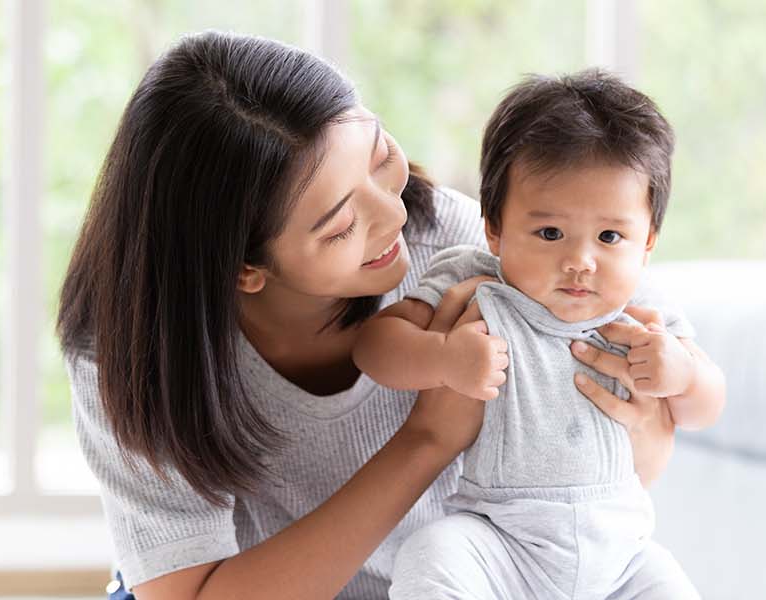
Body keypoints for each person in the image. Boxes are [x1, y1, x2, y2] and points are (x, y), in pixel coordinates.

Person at [57, 32, 692, 599]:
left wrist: (647, 423)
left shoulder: (464, 245)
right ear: (244, 270)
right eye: (340, 226)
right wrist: (429, 438)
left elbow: (623, 468)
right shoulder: (131, 352)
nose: (394, 216)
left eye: (379, 157)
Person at [356, 70, 726, 599]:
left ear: (647, 242)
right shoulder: (474, 280)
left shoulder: (645, 308)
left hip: (621, 551)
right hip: (501, 539)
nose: (580, 261)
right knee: (432, 553)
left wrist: (684, 375)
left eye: (610, 236)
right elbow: (375, 347)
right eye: (549, 233)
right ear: (495, 228)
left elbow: (705, 407)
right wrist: (442, 357)